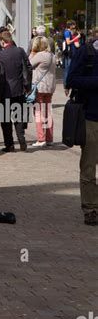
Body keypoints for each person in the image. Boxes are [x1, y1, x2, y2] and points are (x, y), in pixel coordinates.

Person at [67, 34, 98, 225]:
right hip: (91, 117)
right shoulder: (86, 53)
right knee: (88, 166)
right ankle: (91, 209)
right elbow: (71, 80)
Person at [0, 31, 32, 152]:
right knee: (19, 117)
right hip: (19, 89)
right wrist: (27, 86)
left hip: (5, 91)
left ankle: (9, 144)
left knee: (5, 120)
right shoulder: (20, 51)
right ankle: (21, 140)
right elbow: (27, 69)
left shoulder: (0, 55)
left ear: (2, 41)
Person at [29, 36, 56, 147]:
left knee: (38, 112)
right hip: (50, 87)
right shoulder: (52, 55)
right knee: (48, 112)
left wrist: (32, 52)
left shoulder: (39, 55)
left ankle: (41, 138)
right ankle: (49, 138)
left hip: (39, 87)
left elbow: (28, 64)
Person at [63, 20, 82, 88]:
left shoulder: (68, 32)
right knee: (67, 69)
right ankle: (66, 85)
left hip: (70, 53)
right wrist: (77, 37)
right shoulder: (67, 32)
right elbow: (68, 42)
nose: (75, 26)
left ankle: (68, 84)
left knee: (69, 69)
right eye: (73, 25)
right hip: (68, 53)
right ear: (70, 25)